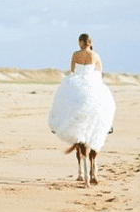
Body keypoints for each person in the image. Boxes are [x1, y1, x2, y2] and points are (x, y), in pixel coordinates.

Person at [46, 33, 116, 171]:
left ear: (80, 43)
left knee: (64, 103)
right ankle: (108, 127)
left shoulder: (75, 54)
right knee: (105, 105)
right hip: (91, 83)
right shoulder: (95, 55)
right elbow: (99, 72)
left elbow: (72, 70)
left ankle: (59, 126)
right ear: (90, 43)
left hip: (76, 83)